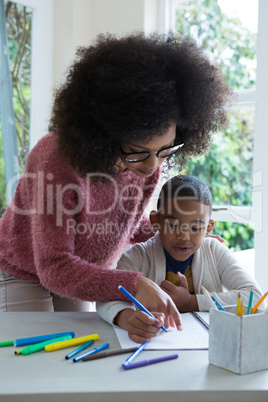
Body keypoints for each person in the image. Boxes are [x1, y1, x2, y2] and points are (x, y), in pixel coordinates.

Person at [0, 32, 232, 320]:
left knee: (85, 345)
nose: (152, 165)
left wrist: (175, 231)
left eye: (165, 150)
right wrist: (134, 283)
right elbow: (54, 266)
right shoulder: (57, 158)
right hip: (23, 270)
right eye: (139, 151)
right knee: (34, 358)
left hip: (79, 270)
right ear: (107, 133)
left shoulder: (148, 162)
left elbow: (122, 223)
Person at [97, 175, 263, 343]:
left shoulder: (215, 252)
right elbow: (106, 298)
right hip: (154, 348)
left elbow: (255, 298)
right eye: (173, 225)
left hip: (205, 351)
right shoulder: (139, 255)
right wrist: (128, 318)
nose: (184, 236)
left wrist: (192, 302)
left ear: (208, 228)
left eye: (195, 228)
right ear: (156, 221)